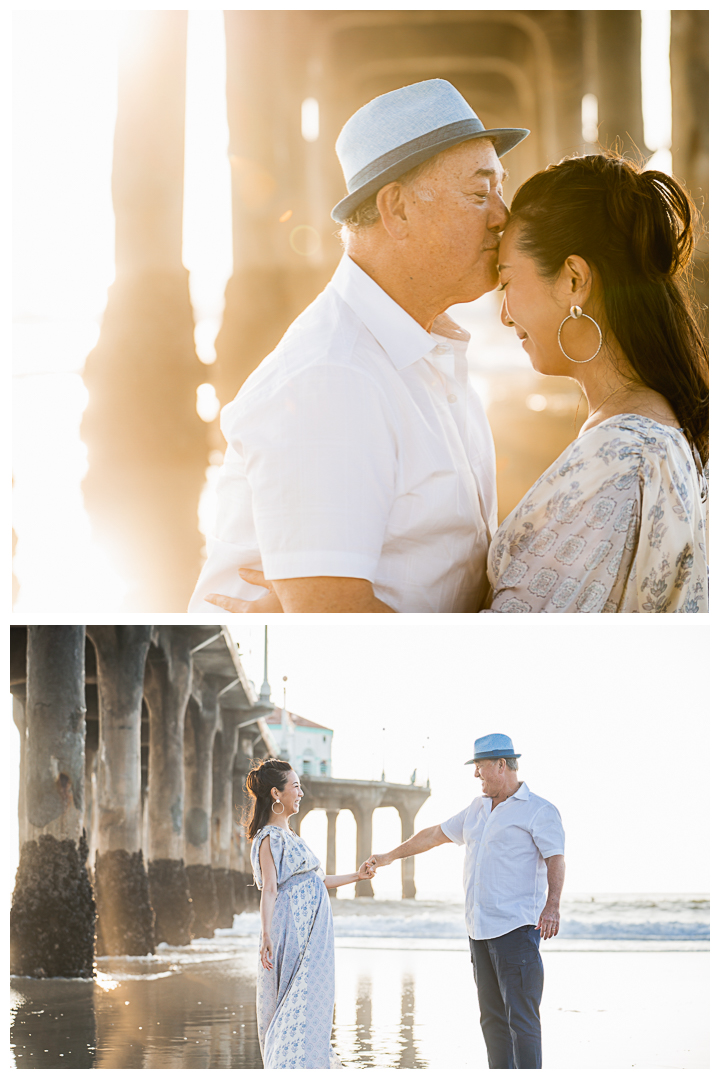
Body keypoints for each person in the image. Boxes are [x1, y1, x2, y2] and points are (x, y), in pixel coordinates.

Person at [189, 79, 529, 613]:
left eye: (500, 190)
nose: (502, 216)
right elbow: (336, 631)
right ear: (395, 210)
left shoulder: (425, 354)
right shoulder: (332, 378)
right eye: (479, 193)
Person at [482, 151, 709, 611]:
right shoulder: (659, 428)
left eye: (506, 284)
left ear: (573, 280)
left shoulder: (620, 460)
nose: (504, 316)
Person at [368, 734, 565, 1070]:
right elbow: (432, 835)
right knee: (491, 1020)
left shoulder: (539, 810)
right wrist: (387, 857)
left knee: (522, 1021)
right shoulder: (476, 809)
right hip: (479, 931)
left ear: (501, 765)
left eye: (480, 767)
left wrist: (552, 905)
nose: (476, 775)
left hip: (516, 929)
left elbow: (555, 859)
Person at [246, 758, 375, 1069]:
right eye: (296, 786)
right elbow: (270, 889)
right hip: (291, 931)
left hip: (312, 935)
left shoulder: (293, 837)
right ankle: (290, 1065)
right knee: (294, 998)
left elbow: (318, 881)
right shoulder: (269, 837)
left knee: (313, 999)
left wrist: (357, 877)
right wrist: (265, 934)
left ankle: (308, 1062)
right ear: (277, 794)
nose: (301, 792)